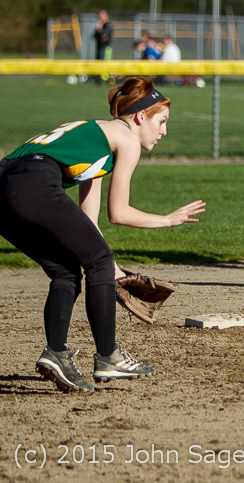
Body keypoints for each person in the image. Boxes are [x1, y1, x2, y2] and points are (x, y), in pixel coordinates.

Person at [0, 77, 206, 393]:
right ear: (140, 116)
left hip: (7, 184)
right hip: (34, 181)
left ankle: (56, 353)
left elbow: (88, 224)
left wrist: (110, 267)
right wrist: (167, 220)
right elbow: (118, 213)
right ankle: (108, 356)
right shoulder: (127, 139)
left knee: (66, 269)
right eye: (162, 121)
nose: (164, 131)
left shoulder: (96, 135)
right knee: (97, 260)